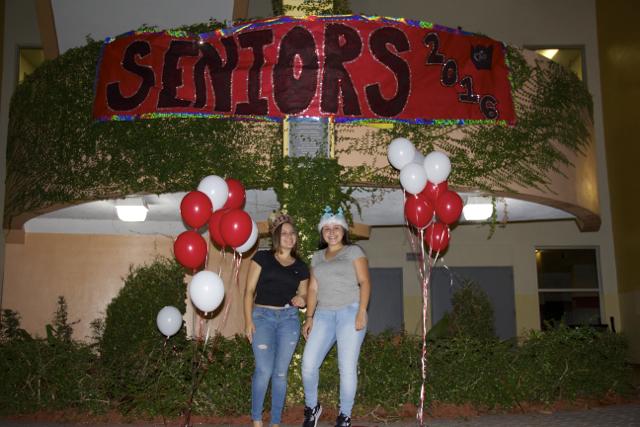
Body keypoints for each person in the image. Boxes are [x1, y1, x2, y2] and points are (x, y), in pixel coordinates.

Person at [300, 207, 371, 427]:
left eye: (336, 227)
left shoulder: (354, 251)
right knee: (308, 365)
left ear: (343, 230)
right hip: (323, 314)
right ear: (322, 232)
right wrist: (309, 317)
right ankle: (312, 408)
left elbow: (365, 282)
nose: (331, 232)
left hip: (350, 311)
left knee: (346, 367)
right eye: (327, 228)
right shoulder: (317, 256)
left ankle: (345, 415)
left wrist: (361, 312)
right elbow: (312, 289)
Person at [244, 212, 310, 427]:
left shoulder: (301, 267)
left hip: (288, 319)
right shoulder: (262, 257)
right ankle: (256, 419)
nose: (289, 237)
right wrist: (248, 321)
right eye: (284, 233)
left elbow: (306, 294)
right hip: (262, 317)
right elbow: (249, 291)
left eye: (292, 233)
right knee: (263, 371)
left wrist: (302, 298)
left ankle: (275, 422)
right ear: (276, 236)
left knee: (280, 374)